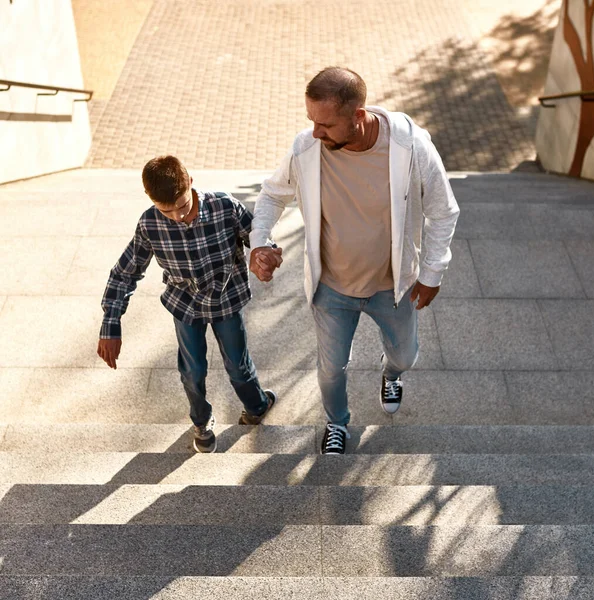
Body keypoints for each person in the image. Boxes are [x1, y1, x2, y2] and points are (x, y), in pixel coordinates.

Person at [249, 67, 459, 454]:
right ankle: (336, 423)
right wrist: (259, 242)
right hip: (332, 287)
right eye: (311, 120)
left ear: (358, 117)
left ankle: (390, 374)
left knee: (406, 357)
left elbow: (443, 211)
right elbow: (272, 195)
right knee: (331, 370)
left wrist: (432, 272)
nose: (315, 132)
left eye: (326, 124)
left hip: (392, 286)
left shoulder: (411, 149)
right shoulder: (306, 148)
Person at [97, 155, 281, 453]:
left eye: (182, 206)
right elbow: (124, 274)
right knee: (192, 371)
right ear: (150, 199)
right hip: (185, 306)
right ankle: (201, 421)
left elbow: (257, 238)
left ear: (191, 183)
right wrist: (110, 325)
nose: (178, 217)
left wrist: (266, 255)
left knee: (238, 366)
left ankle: (256, 406)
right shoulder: (150, 224)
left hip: (226, 301)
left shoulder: (225, 207)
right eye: (166, 210)